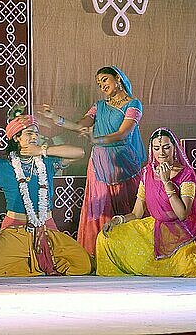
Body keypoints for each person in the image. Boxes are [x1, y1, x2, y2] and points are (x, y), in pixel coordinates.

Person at [0, 113, 93, 276]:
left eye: (36, 133)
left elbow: (80, 153)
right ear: (17, 138)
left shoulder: (47, 161)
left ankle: (35, 263)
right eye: (29, 133)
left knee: (82, 265)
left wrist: (41, 150)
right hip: (15, 230)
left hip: (46, 229)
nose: (34, 136)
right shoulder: (2, 166)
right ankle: (34, 263)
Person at [40, 65, 146, 255]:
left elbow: (122, 134)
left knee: (128, 205)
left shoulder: (133, 104)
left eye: (105, 80)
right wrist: (56, 118)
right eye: (99, 83)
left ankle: (130, 254)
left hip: (124, 163)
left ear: (118, 78)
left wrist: (97, 139)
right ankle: (98, 254)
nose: (102, 85)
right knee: (98, 206)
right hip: (99, 163)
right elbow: (81, 125)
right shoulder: (99, 106)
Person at [96, 128, 196, 277]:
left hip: (180, 232)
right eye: (157, 148)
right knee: (107, 237)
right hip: (153, 228)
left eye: (166, 147)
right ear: (152, 150)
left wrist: (166, 181)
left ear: (174, 148)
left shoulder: (186, 174)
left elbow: (182, 214)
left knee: (190, 269)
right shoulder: (147, 173)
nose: (161, 152)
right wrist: (118, 220)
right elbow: (137, 213)